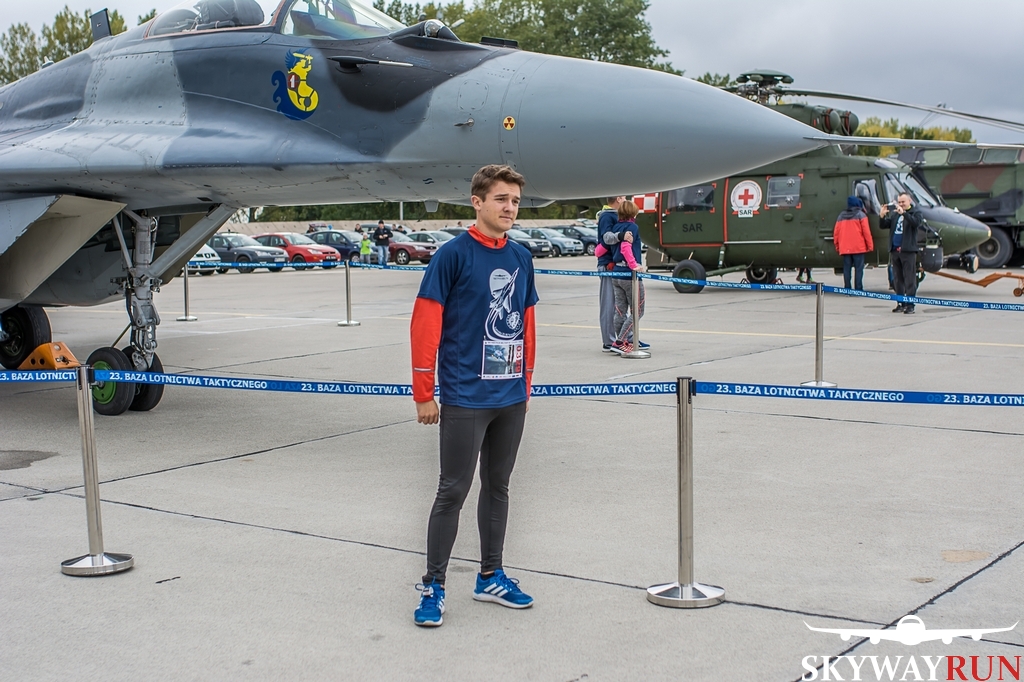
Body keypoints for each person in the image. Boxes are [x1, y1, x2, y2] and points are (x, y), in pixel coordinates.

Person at [409, 164, 538, 627]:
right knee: (452, 490)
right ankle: (434, 585)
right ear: (477, 202)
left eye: (515, 201)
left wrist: (525, 384)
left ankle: (490, 576)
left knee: (498, 486)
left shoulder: (521, 257)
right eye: (501, 199)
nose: (510, 208)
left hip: (510, 397)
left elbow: (527, 324)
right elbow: (425, 325)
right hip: (465, 397)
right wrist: (424, 392)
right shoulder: (452, 255)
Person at [602, 200, 645, 354]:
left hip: (617, 273)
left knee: (620, 310)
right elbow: (626, 247)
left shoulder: (615, 228)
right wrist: (634, 265)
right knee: (638, 310)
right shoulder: (632, 227)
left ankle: (622, 342)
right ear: (633, 213)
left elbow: (606, 245)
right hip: (628, 274)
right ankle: (620, 340)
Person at [880, 192, 922, 314]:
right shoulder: (895, 215)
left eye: (903, 202)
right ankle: (900, 303)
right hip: (895, 250)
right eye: (899, 202)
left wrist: (904, 213)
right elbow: (884, 225)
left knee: (909, 279)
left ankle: (910, 304)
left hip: (908, 251)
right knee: (897, 279)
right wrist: (882, 216)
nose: (901, 204)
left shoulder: (915, 213)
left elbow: (916, 223)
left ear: (909, 201)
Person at [596, 196, 626, 351]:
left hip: (617, 265)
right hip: (609, 265)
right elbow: (606, 239)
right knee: (609, 304)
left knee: (621, 304)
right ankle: (609, 341)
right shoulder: (607, 216)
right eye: (624, 197)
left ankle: (625, 338)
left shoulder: (615, 215)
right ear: (619, 199)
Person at [833, 196, 874, 290]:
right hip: (858, 247)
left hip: (845, 248)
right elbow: (866, 232)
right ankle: (858, 288)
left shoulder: (841, 216)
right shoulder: (861, 215)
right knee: (859, 269)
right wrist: (870, 246)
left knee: (847, 269)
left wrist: (837, 246)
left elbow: (836, 233)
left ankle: (847, 288)